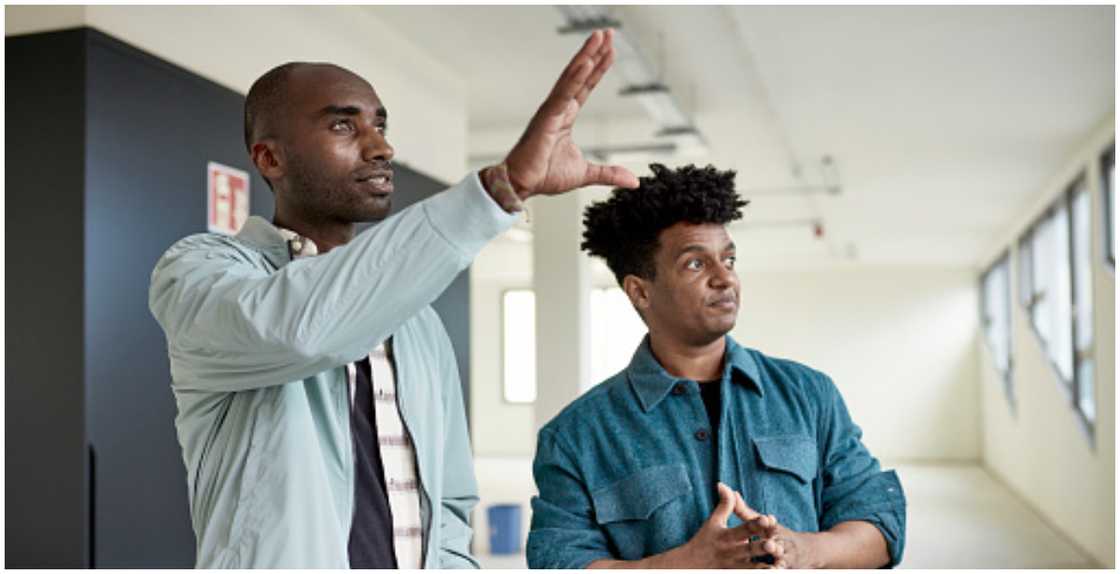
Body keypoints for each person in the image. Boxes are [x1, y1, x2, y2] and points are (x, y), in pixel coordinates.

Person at [149, 29, 638, 568]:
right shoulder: (200, 272)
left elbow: (449, 499)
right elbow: (301, 327)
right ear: (269, 158)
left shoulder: (417, 319)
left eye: (379, 124)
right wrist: (498, 191)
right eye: (343, 125)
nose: (381, 147)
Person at [526, 164, 906, 569]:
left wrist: (806, 550)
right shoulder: (576, 435)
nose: (724, 278)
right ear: (639, 291)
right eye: (696, 263)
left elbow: (880, 521)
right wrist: (685, 564)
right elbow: (558, 561)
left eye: (729, 259)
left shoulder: (810, 395)